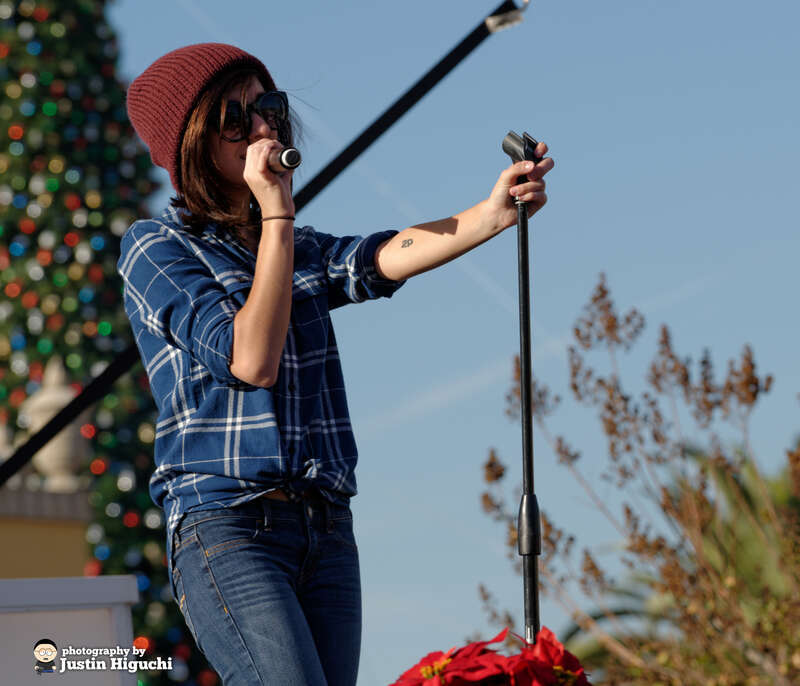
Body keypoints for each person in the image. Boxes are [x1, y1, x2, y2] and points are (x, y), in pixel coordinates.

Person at [119, 42, 553, 686]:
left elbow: (380, 257)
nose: (262, 128)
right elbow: (250, 358)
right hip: (230, 526)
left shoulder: (289, 241)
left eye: (269, 108)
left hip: (325, 524)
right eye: (235, 119)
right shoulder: (156, 248)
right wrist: (277, 214)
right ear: (189, 143)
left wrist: (491, 214)